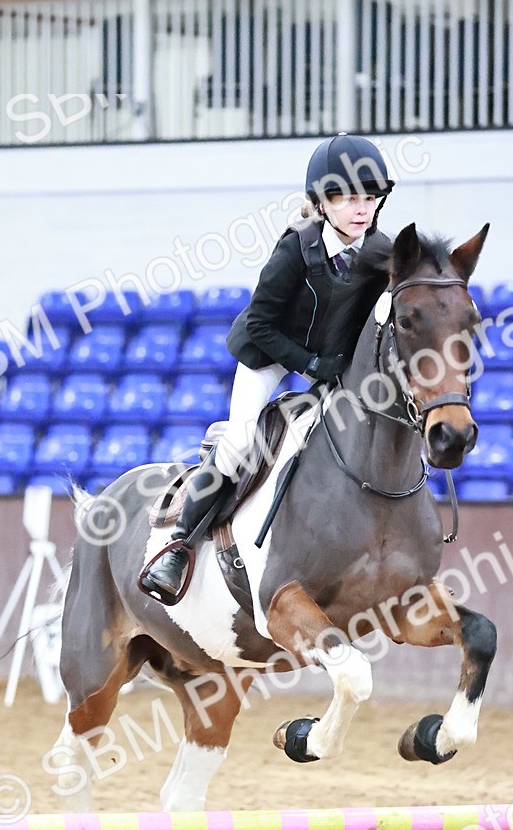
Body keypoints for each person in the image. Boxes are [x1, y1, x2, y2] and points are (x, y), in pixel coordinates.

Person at [140, 132, 394, 602]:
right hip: (271, 355)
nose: (363, 209)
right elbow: (258, 324)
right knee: (240, 443)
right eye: (350, 198)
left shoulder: (381, 251)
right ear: (322, 203)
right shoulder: (295, 249)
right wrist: (311, 364)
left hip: (331, 362)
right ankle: (180, 545)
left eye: (370, 198)